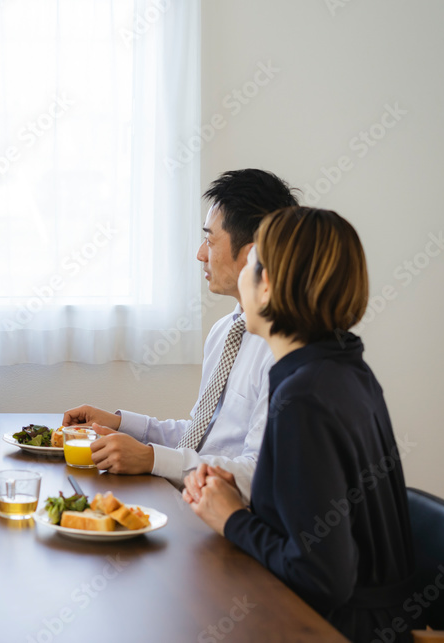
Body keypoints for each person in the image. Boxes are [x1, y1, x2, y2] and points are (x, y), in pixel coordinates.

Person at [183, 207, 418, 642]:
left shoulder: (302, 399)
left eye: (251, 265)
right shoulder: (344, 367)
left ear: (267, 284)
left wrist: (232, 519)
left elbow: (322, 576)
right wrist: (235, 498)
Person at [63, 169, 298, 500]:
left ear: (251, 254)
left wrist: (150, 458)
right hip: (190, 498)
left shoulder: (282, 351)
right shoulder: (225, 332)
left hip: (229, 517)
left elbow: (256, 471)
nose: (201, 253)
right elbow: (200, 436)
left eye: (210, 239)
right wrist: (120, 424)